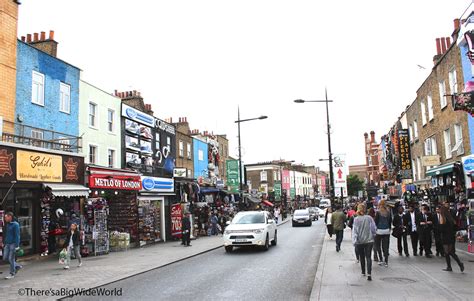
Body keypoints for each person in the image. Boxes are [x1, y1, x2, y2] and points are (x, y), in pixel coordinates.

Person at [352, 204, 376, 281]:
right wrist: (373, 235)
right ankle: (369, 273)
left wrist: (354, 241)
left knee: (362, 257)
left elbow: (354, 231)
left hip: (360, 241)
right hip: (369, 240)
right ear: (365, 209)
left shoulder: (356, 219)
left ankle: (363, 271)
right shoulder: (369, 218)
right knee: (368, 257)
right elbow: (373, 228)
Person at [439, 206, 464, 272]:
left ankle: (451, 266)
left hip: (445, 237)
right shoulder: (450, 218)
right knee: (450, 252)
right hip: (451, 236)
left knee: (447, 252)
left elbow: (441, 229)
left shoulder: (443, 218)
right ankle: (455, 265)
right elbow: (456, 227)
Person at [3, 212, 21, 279]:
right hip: (7, 243)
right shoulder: (7, 224)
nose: (5, 218)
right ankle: (17, 266)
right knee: (5, 257)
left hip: (13, 244)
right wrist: (4, 242)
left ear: (10, 217)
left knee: (11, 258)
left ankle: (12, 274)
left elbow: (17, 235)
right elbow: (7, 234)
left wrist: (17, 245)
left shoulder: (15, 225)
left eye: (6, 217)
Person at [374, 200, 392, 267]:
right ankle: (386, 261)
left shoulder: (378, 212)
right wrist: (389, 229)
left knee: (378, 245)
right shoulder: (388, 212)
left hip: (379, 231)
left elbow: (376, 221)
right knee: (385, 246)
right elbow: (390, 221)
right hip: (386, 230)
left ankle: (381, 259)